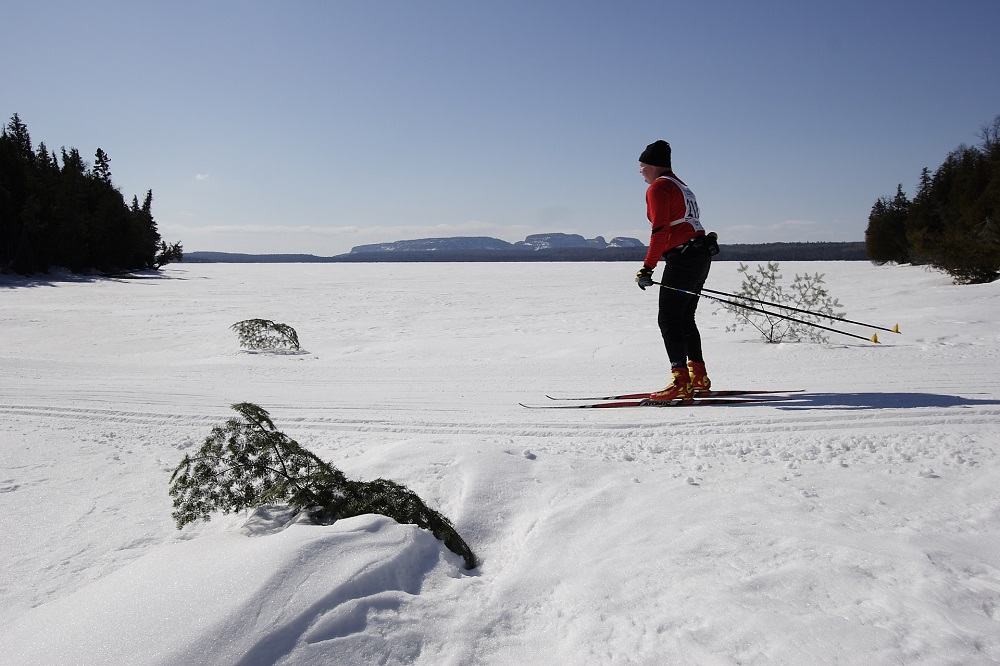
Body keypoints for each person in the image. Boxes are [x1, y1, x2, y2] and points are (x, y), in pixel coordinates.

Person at [634, 140, 716, 402]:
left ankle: (681, 381)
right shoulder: (683, 185)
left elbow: (660, 231)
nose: (640, 171)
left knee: (668, 319)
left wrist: (647, 267)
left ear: (654, 165)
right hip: (699, 255)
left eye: (642, 165)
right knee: (685, 318)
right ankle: (698, 377)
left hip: (683, 257)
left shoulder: (660, 187)